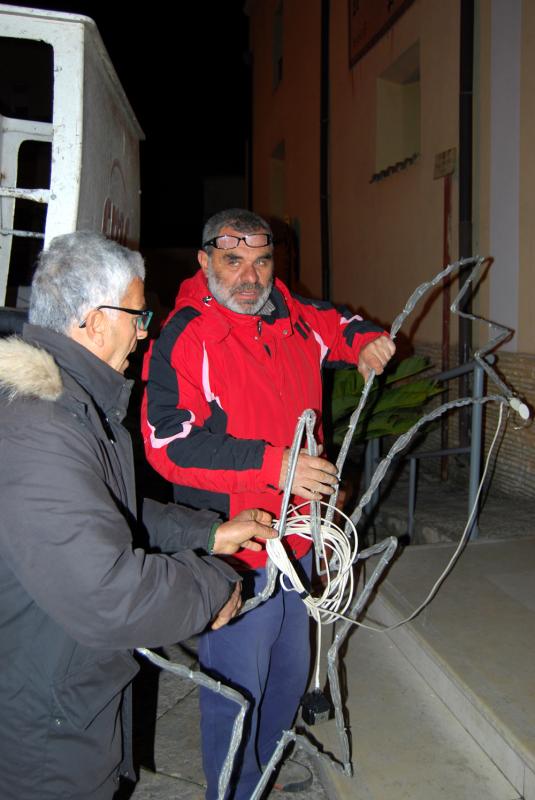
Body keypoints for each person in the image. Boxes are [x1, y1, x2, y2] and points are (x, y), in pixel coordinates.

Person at [0, 231, 276, 800]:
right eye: (137, 315)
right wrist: (214, 582)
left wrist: (209, 532)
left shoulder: (70, 405)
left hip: (62, 695)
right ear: (96, 321)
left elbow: (107, 513)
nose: (144, 332)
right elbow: (109, 593)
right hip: (40, 731)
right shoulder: (40, 429)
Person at [142, 209, 395, 798]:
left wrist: (365, 343)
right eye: (233, 261)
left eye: (261, 261)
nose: (249, 277)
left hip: (300, 539)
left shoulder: (291, 313)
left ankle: (263, 773)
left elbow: (341, 323)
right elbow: (168, 443)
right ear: (204, 261)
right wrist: (277, 465)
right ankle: (233, 790)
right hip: (239, 546)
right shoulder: (187, 335)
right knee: (236, 688)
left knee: (287, 675)